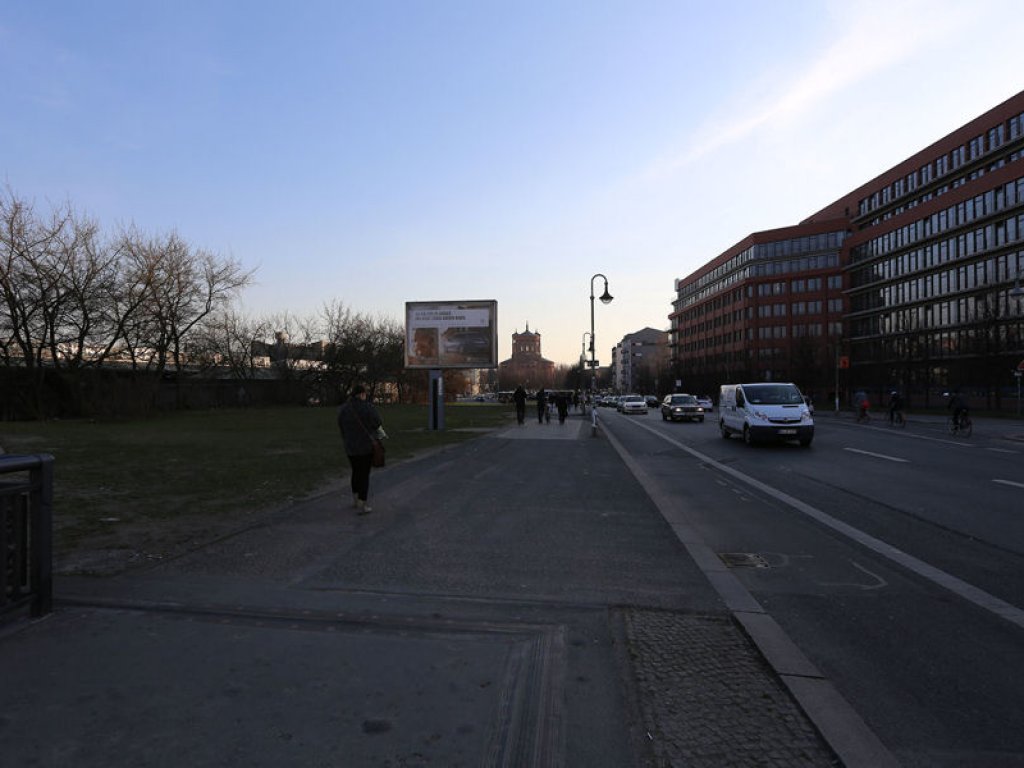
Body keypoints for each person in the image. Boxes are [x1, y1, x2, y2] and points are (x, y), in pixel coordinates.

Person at [337, 384, 384, 514]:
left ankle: (355, 499)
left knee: (355, 472)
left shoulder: (344, 409)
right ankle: (363, 504)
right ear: (362, 394)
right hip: (366, 446)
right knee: (364, 474)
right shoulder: (368, 407)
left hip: (350, 446)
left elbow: (340, 425)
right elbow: (378, 422)